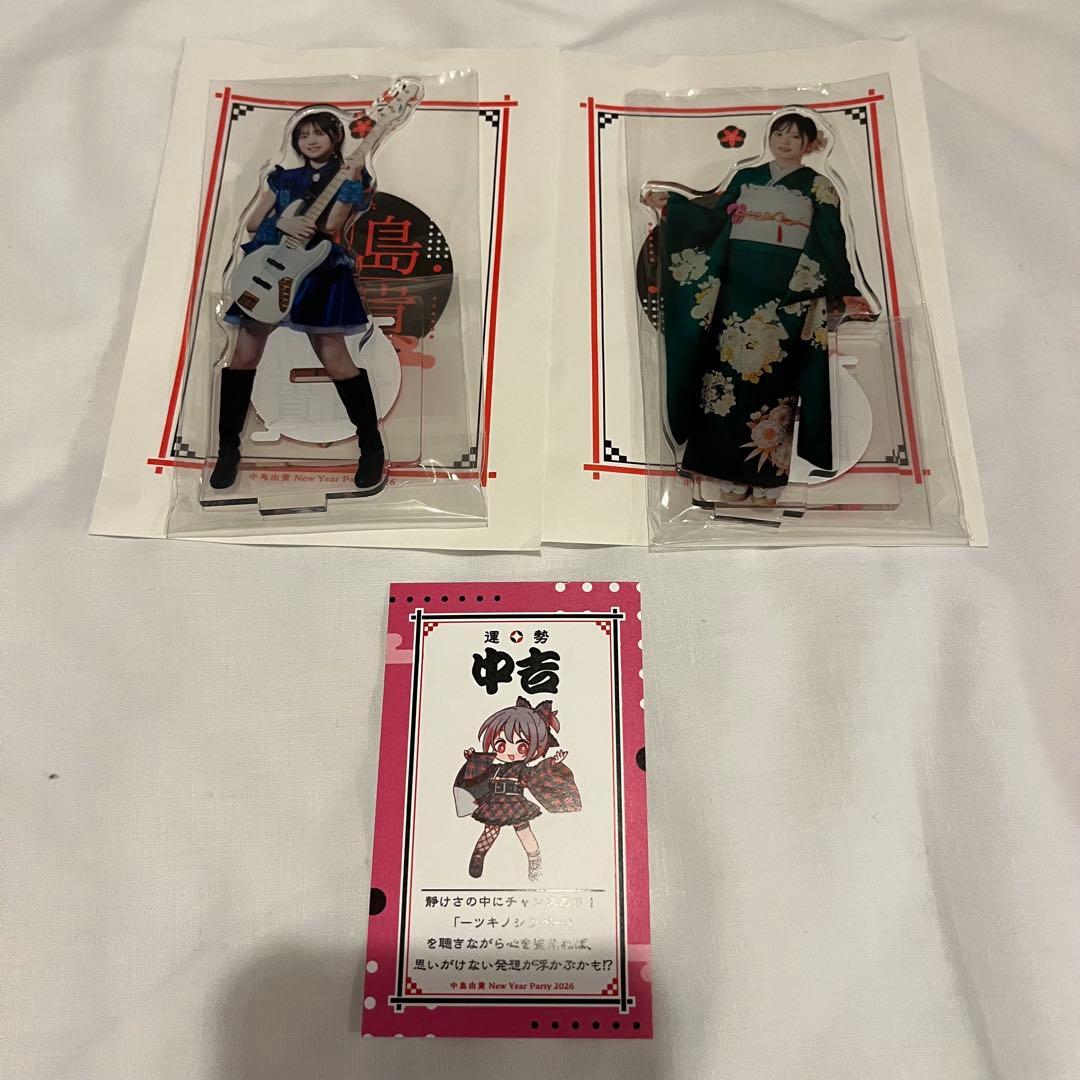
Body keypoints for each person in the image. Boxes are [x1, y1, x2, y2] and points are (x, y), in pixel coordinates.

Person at [647, 111, 872, 504]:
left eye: (795, 136)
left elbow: (831, 238)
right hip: (738, 289)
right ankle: (721, 470)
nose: (785, 141)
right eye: (779, 133)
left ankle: (767, 478)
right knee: (722, 380)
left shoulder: (819, 186)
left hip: (787, 294)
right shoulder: (745, 178)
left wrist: (845, 290)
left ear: (810, 144)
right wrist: (672, 206)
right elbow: (713, 219)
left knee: (776, 381)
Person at [211, 110, 386, 494]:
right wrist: (281, 224)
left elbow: (333, 225)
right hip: (270, 268)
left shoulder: (350, 174)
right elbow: (253, 223)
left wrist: (353, 177)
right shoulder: (282, 178)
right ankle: (227, 448)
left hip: (318, 272)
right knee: (242, 355)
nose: (310, 140)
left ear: (336, 137)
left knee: (336, 358)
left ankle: (371, 447)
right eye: (303, 134)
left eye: (319, 133)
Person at [453, 698, 582, 882]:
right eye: (501, 745)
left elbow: (537, 773)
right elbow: (479, 772)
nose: (510, 751)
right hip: (495, 802)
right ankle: (478, 857)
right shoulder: (494, 767)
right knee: (491, 831)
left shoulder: (522, 769)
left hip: (515, 802)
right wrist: (473, 759)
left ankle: (535, 862)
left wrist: (553, 762)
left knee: (523, 831)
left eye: (522, 746)